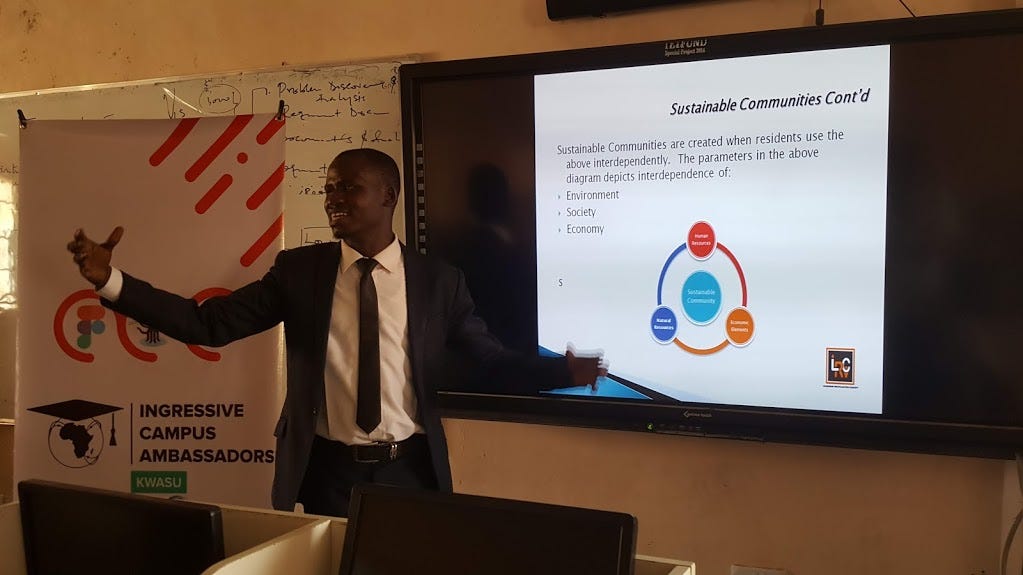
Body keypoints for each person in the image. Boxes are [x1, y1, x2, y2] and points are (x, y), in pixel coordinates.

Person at [67, 148, 603, 517]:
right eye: (328, 189)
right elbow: (209, 324)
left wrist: (560, 371)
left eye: (349, 188)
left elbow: (489, 361)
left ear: (389, 195)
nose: (333, 199)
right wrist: (113, 282)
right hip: (328, 473)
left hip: (409, 472)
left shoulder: (439, 281)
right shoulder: (299, 272)